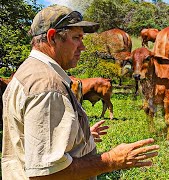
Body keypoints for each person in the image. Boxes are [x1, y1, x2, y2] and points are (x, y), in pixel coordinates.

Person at [1, 5, 159, 180]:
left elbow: (34, 138)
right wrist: (112, 160)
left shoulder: (27, 71)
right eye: (76, 38)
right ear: (52, 37)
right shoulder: (47, 86)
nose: (83, 47)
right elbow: (47, 173)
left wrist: (78, 135)